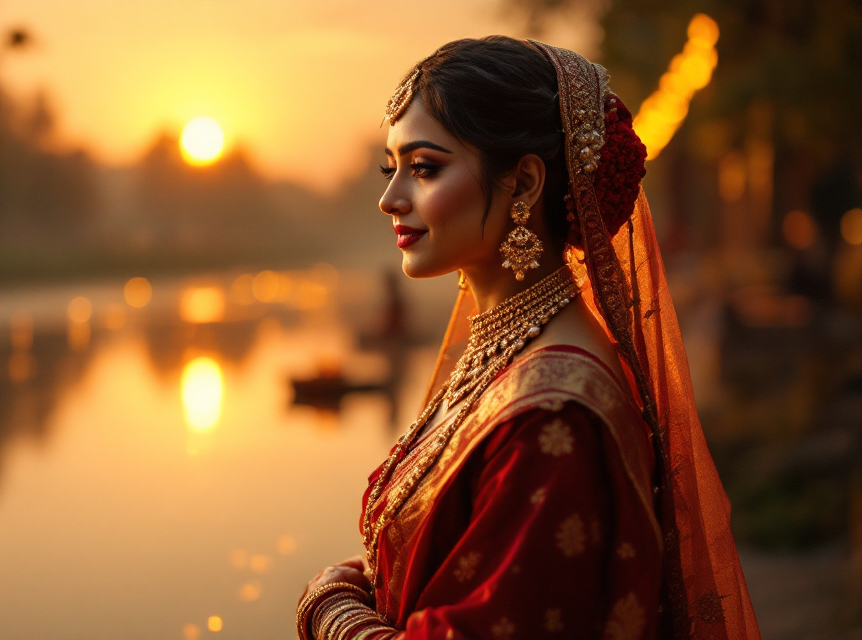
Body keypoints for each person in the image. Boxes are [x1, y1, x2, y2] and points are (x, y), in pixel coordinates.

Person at [295, 36, 760, 640]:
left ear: (525, 183)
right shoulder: (507, 348)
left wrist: (331, 608)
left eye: (425, 168)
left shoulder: (553, 417)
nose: (390, 199)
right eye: (392, 168)